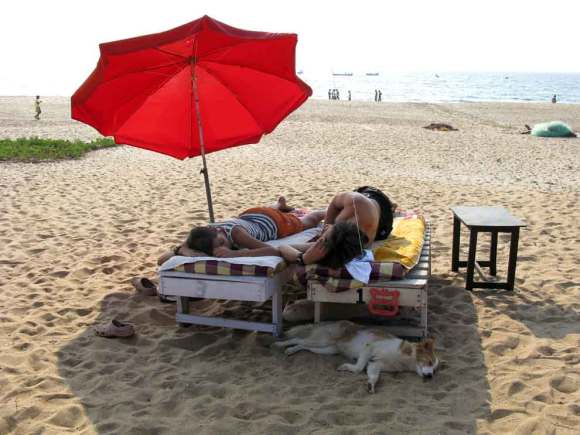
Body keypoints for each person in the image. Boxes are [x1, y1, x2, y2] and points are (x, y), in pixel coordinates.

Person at [158, 197, 325, 264]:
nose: (225, 243)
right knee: (270, 210)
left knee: (309, 220)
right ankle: (279, 205)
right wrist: (182, 249)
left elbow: (272, 251)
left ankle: (324, 211)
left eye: (222, 241)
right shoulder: (205, 234)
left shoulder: (237, 235)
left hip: (273, 222)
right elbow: (164, 258)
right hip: (249, 214)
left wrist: (236, 254)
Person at [279, 186, 395, 269]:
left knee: (367, 200)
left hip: (380, 214)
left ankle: (391, 206)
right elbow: (335, 202)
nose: (321, 237)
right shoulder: (356, 202)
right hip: (377, 217)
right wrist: (327, 225)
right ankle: (391, 206)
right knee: (354, 199)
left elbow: (283, 247)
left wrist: (303, 259)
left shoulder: (330, 245)